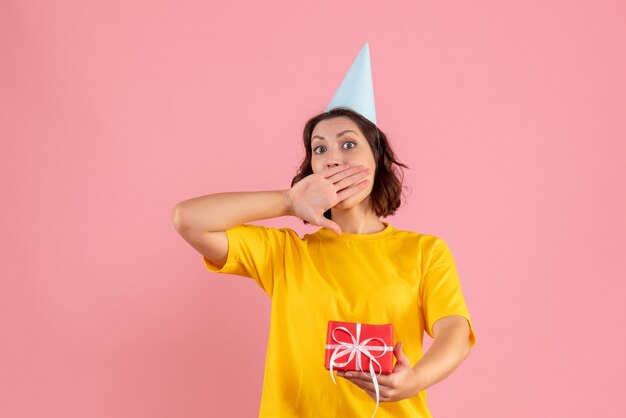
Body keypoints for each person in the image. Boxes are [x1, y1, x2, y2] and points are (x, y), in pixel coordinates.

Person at [172, 44, 476, 417]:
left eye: (348, 144)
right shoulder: (285, 253)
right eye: (320, 149)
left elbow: (455, 334)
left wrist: (416, 379)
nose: (333, 158)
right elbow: (188, 219)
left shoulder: (424, 251)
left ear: (377, 160)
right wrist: (287, 200)